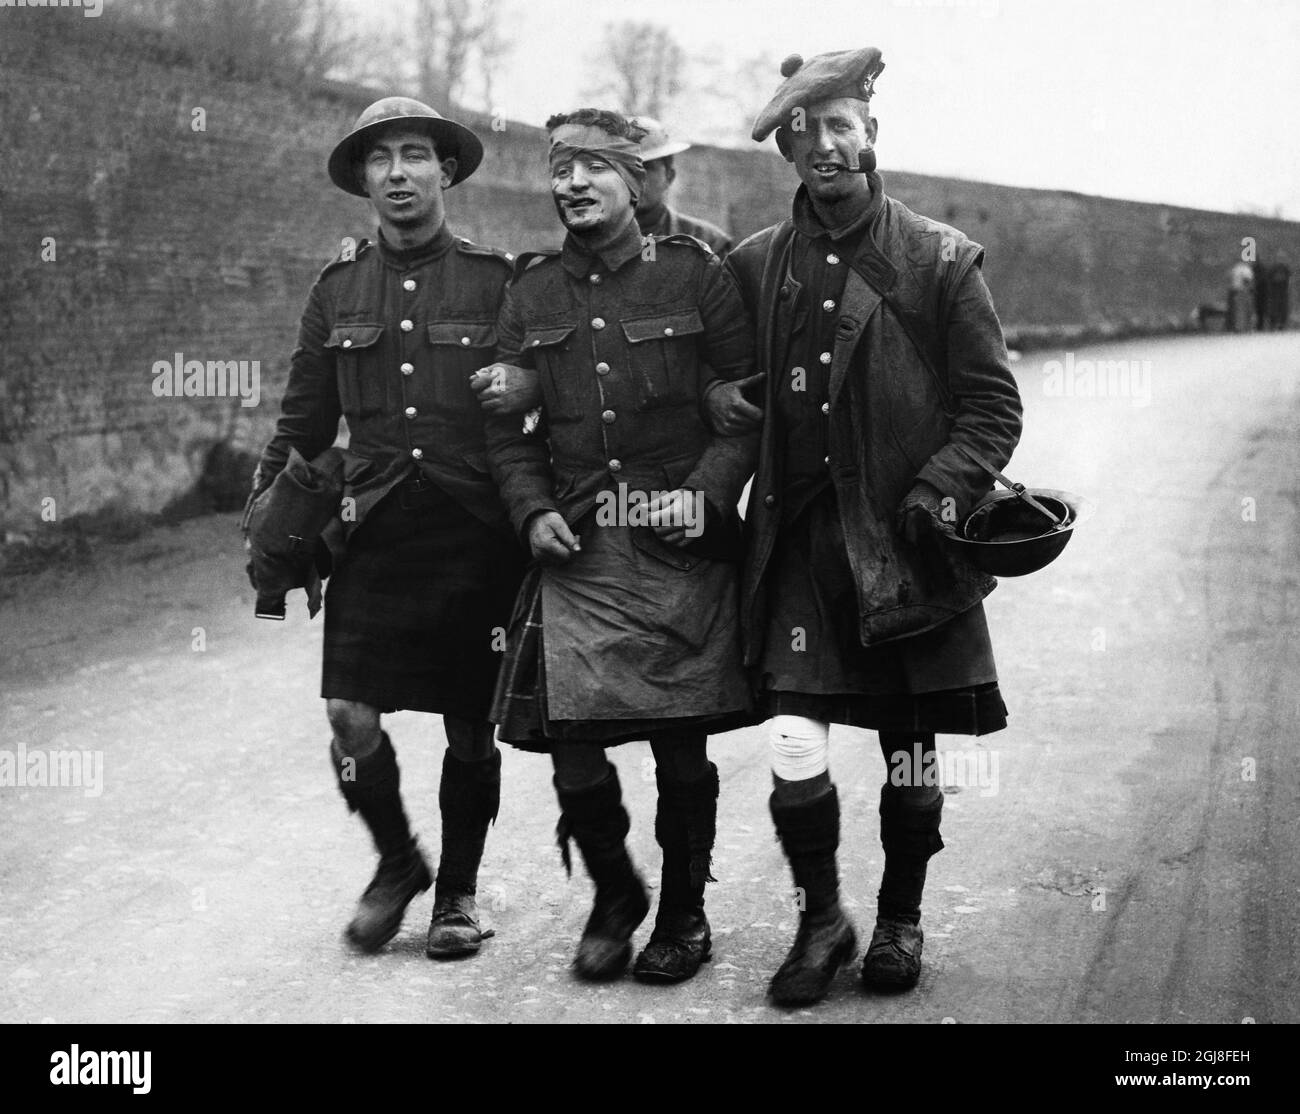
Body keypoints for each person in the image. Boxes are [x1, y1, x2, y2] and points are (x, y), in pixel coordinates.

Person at [713, 48, 1023, 1006]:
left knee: (909, 746)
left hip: (904, 545)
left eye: (843, 125)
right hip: (802, 545)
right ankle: (820, 920)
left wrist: (939, 490)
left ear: (872, 134)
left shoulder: (937, 258)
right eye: (807, 131)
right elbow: (721, 386)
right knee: (794, 744)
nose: (826, 146)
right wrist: (726, 398)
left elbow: (992, 410)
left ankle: (898, 916)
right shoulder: (755, 264)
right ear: (789, 148)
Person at [483, 108, 758, 984]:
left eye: (594, 167)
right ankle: (614, 894)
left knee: (681, 743)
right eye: (561, 169)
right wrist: (530, 510)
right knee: (569, 742)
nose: (572, 184)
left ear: (635, 181)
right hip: (580, 546)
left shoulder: (696, 276)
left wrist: (707, 495)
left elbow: (745, 405)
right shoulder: (529, 292)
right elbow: (507, 428)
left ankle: (684, 912)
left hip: (678, 546)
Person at [247, 97, 525, 959]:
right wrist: (265, 520)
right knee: (347, 714)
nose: (399, 173)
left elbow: (535, 414)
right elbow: (300, 426)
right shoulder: (335, 292)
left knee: (472, 724)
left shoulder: (498, 282)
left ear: (445, 171)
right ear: (363, 178)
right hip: (374, 530)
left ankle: (459, 895)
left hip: (478, 531)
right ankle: (399, 861)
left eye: (415, 156)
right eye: (381, 160)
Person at [630, 115, 735, 257]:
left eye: (647, 168)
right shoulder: (592, 240)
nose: (636, 178)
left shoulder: (706, 242)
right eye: (627, 168)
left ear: (669, 176)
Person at [1227, 258, 1255, 333]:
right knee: (1246, 310)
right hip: (1244, 291)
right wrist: (1248, 289)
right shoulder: (1246, 269)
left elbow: (1230, 279)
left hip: (1235, 291)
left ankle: (1238, 327)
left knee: (1238, 310)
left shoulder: (1235, 268)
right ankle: (1246, 328)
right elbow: (1247, 280)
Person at [1266, 255, 1291, 330]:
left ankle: (1276, 323)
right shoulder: (1284, 268)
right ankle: (1278, 323)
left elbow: (1269, 279)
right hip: (1279, 292)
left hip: (1278, 293)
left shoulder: (1276, 269)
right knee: (1279, 308)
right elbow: (1289, 279)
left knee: (1277, 308)